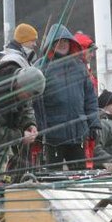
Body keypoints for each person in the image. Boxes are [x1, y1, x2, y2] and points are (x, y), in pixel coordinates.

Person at [37, 25, 100, 170]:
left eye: (65, 41)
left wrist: (94, 123)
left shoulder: (79, 67)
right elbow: (35, 102)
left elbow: (90, 98)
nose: (63, 44)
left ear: (71, 43)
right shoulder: (41, 68)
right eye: (58, 42)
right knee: (52, 177)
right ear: (51, 44)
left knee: (80, 175)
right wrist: (39, 129)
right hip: (52, 136)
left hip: (78, 134)